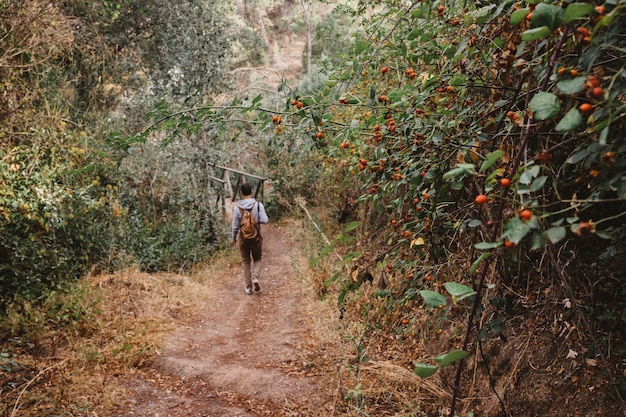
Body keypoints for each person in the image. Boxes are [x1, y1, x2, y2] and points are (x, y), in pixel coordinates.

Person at [231, 182, 269, 294]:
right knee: (257, 258)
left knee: (246, 261)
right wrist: (255, 220)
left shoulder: (237, 208)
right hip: (256, 237)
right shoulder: (258, 205)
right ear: (251, 192)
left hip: (243, 238)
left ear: (241, 193)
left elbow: (235, 226)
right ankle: (255, 277)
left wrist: (233, 238)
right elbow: (265, 220)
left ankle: (248, 287)